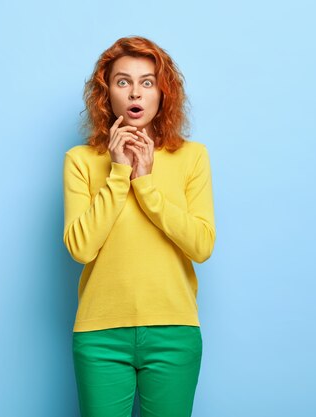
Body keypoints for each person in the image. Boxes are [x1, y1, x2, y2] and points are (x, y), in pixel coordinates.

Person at [63, 35, 216, 417]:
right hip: (100, 335)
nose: (135, 93)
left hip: (174, 331)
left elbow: (201, 245)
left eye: (147, 82)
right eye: (123, 81)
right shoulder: (81, 160)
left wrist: (146, 185)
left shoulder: (192, 157)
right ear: (107, 93)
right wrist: (118, 174)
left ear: (162, 93)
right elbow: (81, 248)